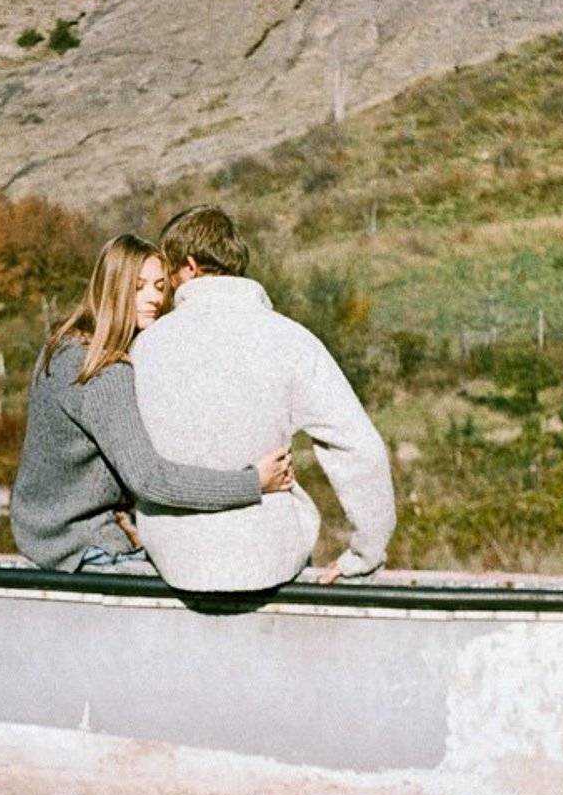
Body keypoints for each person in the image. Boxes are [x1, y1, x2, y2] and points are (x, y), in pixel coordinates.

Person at [130, 206, 395, 592]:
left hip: (174, 561)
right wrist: (365, 555)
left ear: (188, 266)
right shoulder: (292, 340)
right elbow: (361, 449)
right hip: (268, 561)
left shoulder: (146, 347)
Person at [11, 233, 295, 572]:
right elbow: (150, 480)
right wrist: (254, 482)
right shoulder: (104, 372)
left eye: (160, 287)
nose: (154, 298)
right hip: (89, 543)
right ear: (112, 288)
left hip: (42, 535)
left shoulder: (62, 347)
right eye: (138, 287)